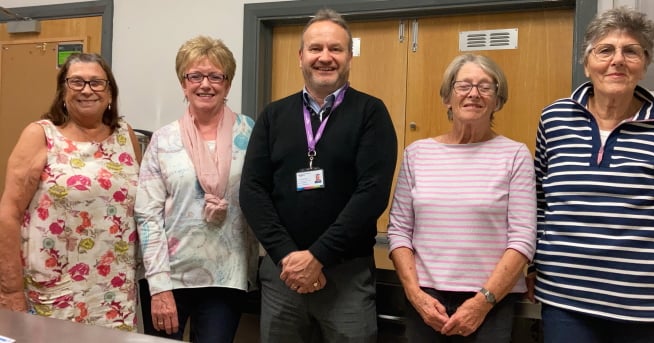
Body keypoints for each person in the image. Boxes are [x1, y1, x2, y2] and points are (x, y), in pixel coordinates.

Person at [530, 6, 654, 343]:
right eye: (605, 50)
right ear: (586, 62)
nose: (617, 60)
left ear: (644, 65)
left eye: (631, 51)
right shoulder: (554, 120)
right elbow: (540, 206)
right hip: (566, 303)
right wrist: (532, 269)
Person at [239, 8, 398, 343]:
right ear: (300, 56)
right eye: (315, 49)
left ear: (349, 56)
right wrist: (289, 257)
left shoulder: (371, 113)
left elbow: (372, 193)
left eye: (335, 49)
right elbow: (252, 190)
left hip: (347, 277)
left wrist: (317, 257)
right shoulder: (273, 116)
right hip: (283, 275)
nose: (325, 57)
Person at [386, 53, 536, 342]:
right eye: (463, 85)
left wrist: (481, 303)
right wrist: (415, 295)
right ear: (447, 98)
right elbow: (399, 231)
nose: (474, 94)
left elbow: (523, 238)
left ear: (497, 100)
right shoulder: (417, 154)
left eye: (485, 87)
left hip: (491, 300)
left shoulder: (515, 155)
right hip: (426, 300)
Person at [0, 53, 141, 331]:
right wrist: (10, 289)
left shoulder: (126, 135)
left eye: (97, 82)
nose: (87, 90)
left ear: (110, 92)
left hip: (115, 292)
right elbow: (9, 215)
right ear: (62, 92)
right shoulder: (40, 135)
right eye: (76, 82)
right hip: (55, 293)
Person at [134, 35, 258, 342]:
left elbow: (263, 198)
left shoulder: (251, 132)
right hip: (169, 275)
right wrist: (159, 286)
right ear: (183, 83)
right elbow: (147, 215)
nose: (206, 84)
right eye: (195, 76)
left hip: (227, 274)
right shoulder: (164, 140)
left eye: (216, 76)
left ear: (227, 84)